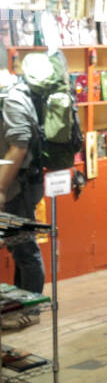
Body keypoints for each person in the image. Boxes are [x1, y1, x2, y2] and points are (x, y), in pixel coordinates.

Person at [0, 65, 46, 320]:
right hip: (16, 184)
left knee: (25, 250)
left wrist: (1, 189)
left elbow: (18, 146)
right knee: (18, 248)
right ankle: (19, 306)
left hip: (20, 186)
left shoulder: (13, 99)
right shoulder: (9, 95)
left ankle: (31, 310)